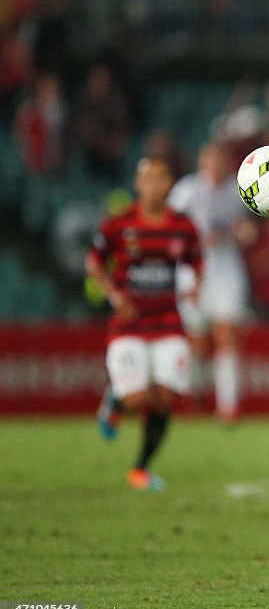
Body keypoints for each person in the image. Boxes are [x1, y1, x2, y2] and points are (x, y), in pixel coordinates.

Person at [88, 156, 202, 491]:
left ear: (169, 184)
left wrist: (196, 285)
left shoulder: (183, 225)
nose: (153, 185)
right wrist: (113, 294)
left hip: (168, 322)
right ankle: (116, 401)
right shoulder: (119, 224)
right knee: (138, 398)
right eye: (147, 179)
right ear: (138, 185)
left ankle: (140, 468)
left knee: (165, 397)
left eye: (160, 178)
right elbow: (94, 261)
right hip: (129, 325)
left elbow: (197, 260)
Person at [168, 143, 253, 422]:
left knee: (226, 331)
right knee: (197, 340)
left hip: (227, 271)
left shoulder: (237, 193)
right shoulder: (186, 191)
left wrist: (241, 232)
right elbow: (168, 229)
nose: (216, 166)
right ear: (202, 162)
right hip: (192, 271)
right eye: (211, 160)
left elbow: (247, 230)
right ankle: (195, 395)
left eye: (221, 160)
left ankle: (228, 406)